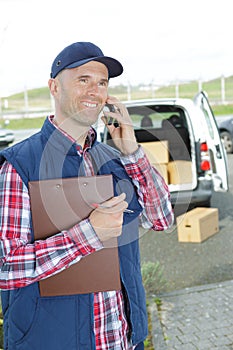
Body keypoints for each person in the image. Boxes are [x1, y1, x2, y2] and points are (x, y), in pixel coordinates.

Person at [0, 41, 173, 350]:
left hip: (121, 340)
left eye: (102, 82)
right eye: (83, 80)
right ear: (54, 87)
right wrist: (89, 234)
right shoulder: (19, 165)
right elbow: (6, 267)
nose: (96, 90)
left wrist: (132, 152)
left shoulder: (116, 159)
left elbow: (162, 219)